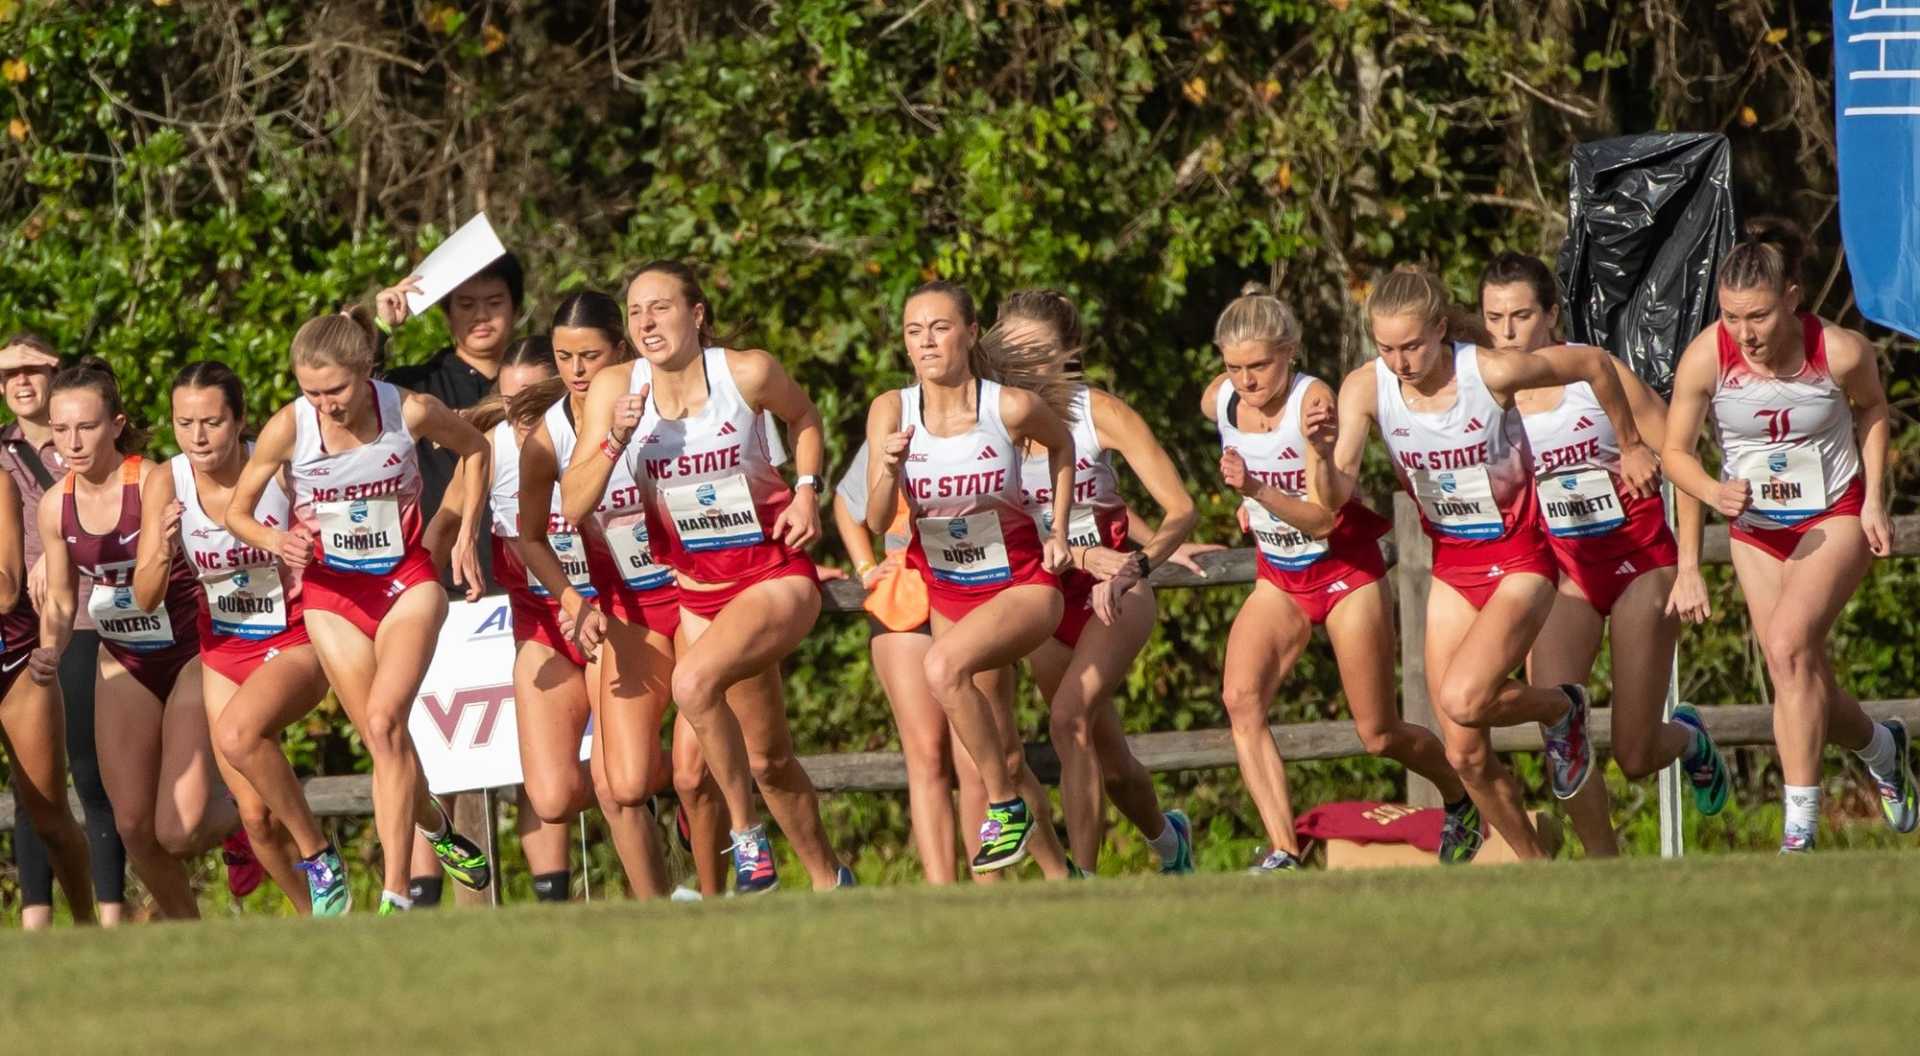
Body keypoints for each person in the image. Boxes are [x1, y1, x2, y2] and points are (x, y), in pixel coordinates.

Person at [1330, 266, 1658, 859]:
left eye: (1412, 347)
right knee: (1463, 752)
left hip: (1521, 563)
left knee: (1462, 698)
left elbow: (1592, 365)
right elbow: (1335, 492)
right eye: (1386, 349)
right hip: (1454, 565)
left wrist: (1632, 441)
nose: (1400, 362)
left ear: (1439, 329)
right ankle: (1535, 870)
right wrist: (1314, 447)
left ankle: (1563, 706)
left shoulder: (1490, 371)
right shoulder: (1363, 388)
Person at [563, 261, 851, 894]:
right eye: (635, 312)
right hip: (698, 592)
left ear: (696, 315)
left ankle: (746, 839)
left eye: (660, 308)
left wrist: (806, 493)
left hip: (772, 575)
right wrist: (615, 440)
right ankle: (834, 882)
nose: (645, 322)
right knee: (770, 759)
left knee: (693, 683)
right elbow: (574, 503)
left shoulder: (745, 372)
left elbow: (804, 420)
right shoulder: (617, 388)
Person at [226, 307, 493, 914]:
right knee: (385, 741)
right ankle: (438, 827)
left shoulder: (411, 410)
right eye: (311, 392)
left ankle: (395, 894)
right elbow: (237, 511)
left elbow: (475, 448)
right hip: (332, 595)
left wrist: (464, 530)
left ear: (366, 370)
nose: (326, 405)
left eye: (337, 390)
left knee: (383, 723)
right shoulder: (289, 427)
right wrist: (276, 541)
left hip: (405, 583)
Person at [1662, 218, 1913, 853]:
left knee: (1787, 643)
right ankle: (1881, 747)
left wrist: (1875, 500)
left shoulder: (1839, 351)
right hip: (1755, 529)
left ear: (1792, 300)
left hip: (1833, 513)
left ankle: (1798, 831)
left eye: (1759, 316)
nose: (1745, 334)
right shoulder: (1706, 355)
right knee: (1793, 664)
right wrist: (1703, 523)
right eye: (1731, 316)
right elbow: (1675, 453)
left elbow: (1874, 410)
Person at [1204, 283, 1474, 871]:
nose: (1246, 381)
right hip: (1279, 578)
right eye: (1234, 366)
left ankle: (1461, 798)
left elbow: (1322, 518)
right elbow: (1215, 409)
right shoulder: (1222, 398)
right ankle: (1283, 850)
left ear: (1292, 352)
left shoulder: (1312, 402)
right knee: (1240, 698)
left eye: (1259, 366)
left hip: (1342, 572)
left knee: (1378, 733)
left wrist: (1255, 492)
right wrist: (1249, 507)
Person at [1479, 253, 1731, 856]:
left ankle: (1690, 740)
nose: (1508, 332)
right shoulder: (1487, 399)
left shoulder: (1598, 377)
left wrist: (1690, 565)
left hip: (1639, 562)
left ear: (1551, 316)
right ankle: (1603, 863)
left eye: (1521, 316)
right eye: (1494, 318)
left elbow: (1682, 455)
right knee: (1560, 730)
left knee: (1636, 753)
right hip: (1564, 575)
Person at [863, 279, 1080, 875]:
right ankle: (1064, 878)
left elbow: (1063, 449)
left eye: (939, 327)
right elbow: (878, 518)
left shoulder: (1007, 406)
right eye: (913, 331)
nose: (926, 341)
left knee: (941, 667)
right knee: (1000, 755)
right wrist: (886, 467)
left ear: (970, 332)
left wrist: (1057, 529)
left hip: (1023, 587)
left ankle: (1006, 811)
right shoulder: (892, 410)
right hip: (952, 595)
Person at [997, 289, 1199, 875]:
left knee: (1067, 721)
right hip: (1042, 598)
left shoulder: (1097, 412)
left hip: (1115, 590)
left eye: (1041, 355)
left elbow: (1180, 509)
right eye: (1014, 354)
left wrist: (1139, 564)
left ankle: (1081, 879)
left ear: (1068, 354)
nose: (1028, 369)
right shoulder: (993, 420)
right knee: (1107, 758)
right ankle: (1169, 841)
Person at [35, 359, 238, 920]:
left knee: (181, 827)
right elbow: (60, 598)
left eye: (86, 427)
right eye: (61, 429)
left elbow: (159, 583)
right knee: (132, 826)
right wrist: (49, 646)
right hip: (123, 657)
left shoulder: (153, 479)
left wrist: (165, 548)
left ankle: (253, 808)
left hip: (190, 651)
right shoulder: (57, 505)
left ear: (116, 424)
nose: (72, 442)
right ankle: (187, 938)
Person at [135, 362, 324, 913]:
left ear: (240, 421)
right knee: (256, 817)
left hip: (294, 640)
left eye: (212, 423)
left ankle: (319, 855)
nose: (197, 437)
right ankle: (320, 919)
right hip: (223, 650)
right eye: (184, 423)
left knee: (242, 737)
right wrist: (163, 549)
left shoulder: (276, 471)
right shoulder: (167, 480)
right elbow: (146, 597)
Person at [2, 336, 122, 928]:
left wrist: (61, 548)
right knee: (35, 796)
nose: (21, 381)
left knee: (88, 776)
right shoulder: (4, 452)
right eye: (8, 374)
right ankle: (37, 921)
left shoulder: (90, 439)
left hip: (92, 620)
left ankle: (106, 914)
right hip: (44, 627)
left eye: (33, 370)